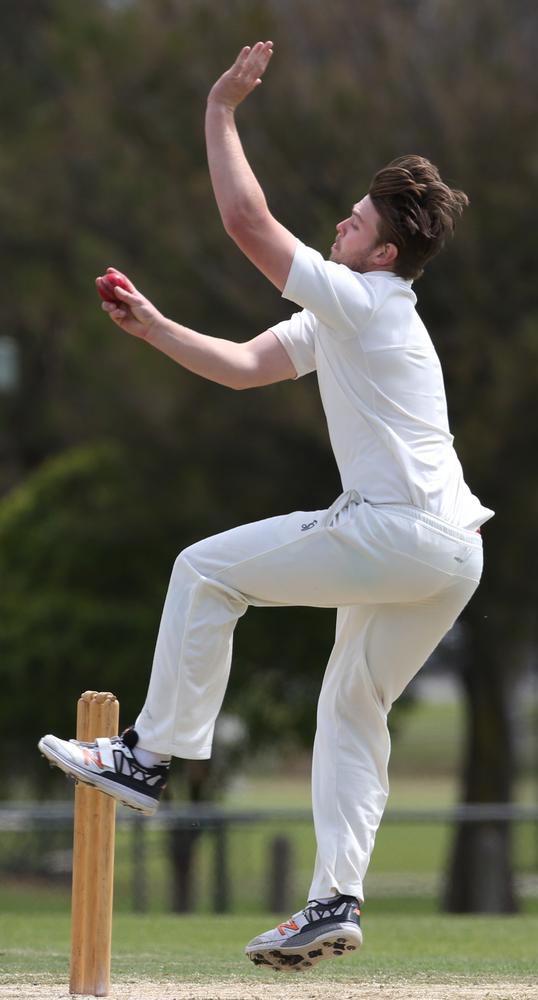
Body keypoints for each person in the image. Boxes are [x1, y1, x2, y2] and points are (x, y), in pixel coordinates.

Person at [39, 41, 493, 972]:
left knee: (204, 569)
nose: (342, 220)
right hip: (452, 553)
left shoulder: (370, 302)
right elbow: (247, 368)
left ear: (387, 251)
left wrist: (219, 111)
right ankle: (335, 899)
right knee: (352, 707)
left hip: (397, 528)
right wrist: (155, 325)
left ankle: (147, 758)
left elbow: (249, 222)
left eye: (358, 218)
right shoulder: (344, 318)